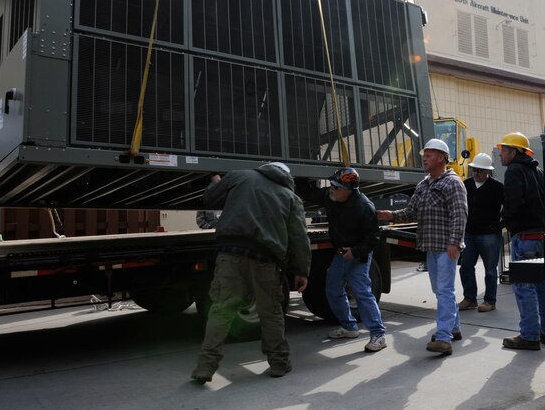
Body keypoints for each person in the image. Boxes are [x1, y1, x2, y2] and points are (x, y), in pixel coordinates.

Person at [191, 161, 311, 382]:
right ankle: (279, 364)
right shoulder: (291, 197)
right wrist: (302, 271)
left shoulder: (239, 176)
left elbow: (210, 199)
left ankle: (205, 367)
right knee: (270, 313)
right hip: (266, 261)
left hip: (230, 255)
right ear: (287, 177)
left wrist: (216, 182)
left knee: (221, 310)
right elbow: (299, 238)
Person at [377, 138, 467, 356]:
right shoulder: (424, 184)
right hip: (431, 246)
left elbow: (460, 213)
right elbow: (411, 211)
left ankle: (443, 337)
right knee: (440, 290)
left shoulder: (452, 183)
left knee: (444, 290)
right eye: (424, 155)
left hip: (447, 247)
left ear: (441, 158)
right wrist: (391, 216)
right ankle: (454, 328)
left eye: (429, 155)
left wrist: (454, 242)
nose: (424, 159)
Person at [311, 167, 387, 352]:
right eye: (332, 185)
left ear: (348, 190)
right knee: (333, 288)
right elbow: (309, 193)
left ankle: (378, 334)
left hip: (357, 254)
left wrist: (355, 252)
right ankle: (349, 327)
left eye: (336, 187)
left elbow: (373, 238)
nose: (331, 189)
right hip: (341, 252)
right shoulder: (332, 197)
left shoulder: (363, 207)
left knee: (362, 292)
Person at [497, 132, 545, 351]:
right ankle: (542, 331)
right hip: (540, 237)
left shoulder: (514, 170)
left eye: (503, 151)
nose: (500, 155)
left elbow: (513, 201)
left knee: (524, 288)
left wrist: (504, 220)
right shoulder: (538, 172)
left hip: (525, 238)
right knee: (541, 287)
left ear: (514, 152)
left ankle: (529, 336)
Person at [458, 153, 504, 313]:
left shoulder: (498, 188)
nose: (476, 173)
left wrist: (501, 224)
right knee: (465, 267)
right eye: (474, 170)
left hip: (489, 235)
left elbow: (510, 206)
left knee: (490, 269)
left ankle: (490, 301)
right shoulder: (465, 185)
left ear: (488, 172)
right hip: (469, 234)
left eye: (480, 171)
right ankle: (470, 298)